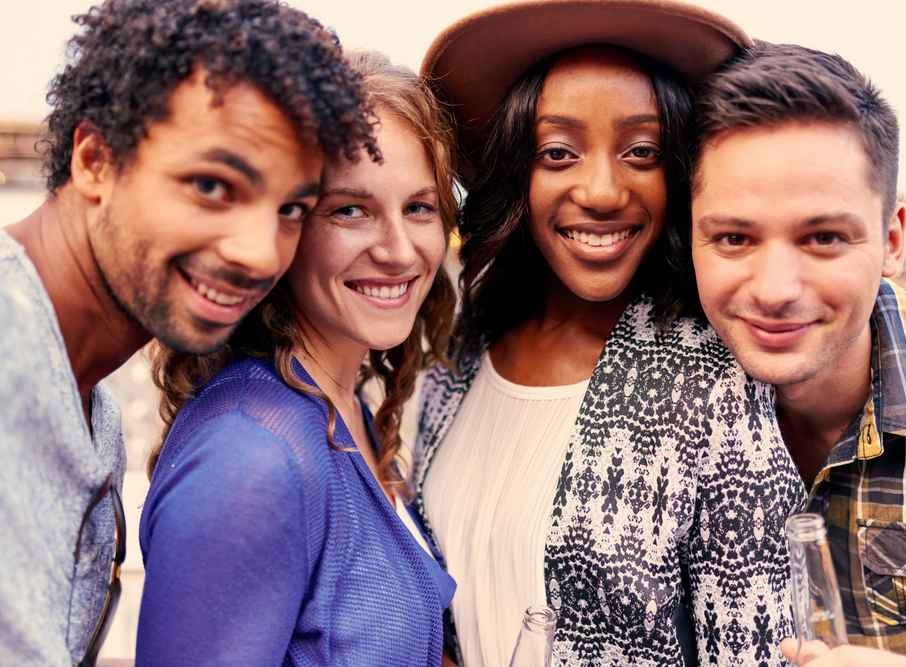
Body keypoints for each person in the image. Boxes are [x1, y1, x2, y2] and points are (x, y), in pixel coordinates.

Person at [412, 1, 806, 664]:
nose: (600, 190)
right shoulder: (462, 349)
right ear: (517, 172)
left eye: (641, 151)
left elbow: (757, 649)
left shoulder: (716, 379)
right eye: (558, 152)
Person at [0, 1, 375, 665]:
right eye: (211, 185)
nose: (261, 253)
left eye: (292, 208)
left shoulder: (93, 411)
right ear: (94, 158)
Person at [137, 51, 460, 666]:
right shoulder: (252, 458)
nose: (399, 250)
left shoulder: (342, 402)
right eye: (350, 210)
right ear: (281, 226)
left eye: (418, 207)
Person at [689, 41, 906, 666]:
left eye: (823, 237)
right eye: (733, 238)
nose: (776, 290)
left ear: (892, 241)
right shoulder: (648, 397)